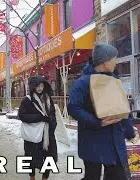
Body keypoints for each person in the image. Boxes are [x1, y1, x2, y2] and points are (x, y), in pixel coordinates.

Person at [68, 43, 136, 180]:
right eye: (114, 58)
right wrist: (97, 122)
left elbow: (122, 108)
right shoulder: (83, 83)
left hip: (115, 141)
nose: (116, 62)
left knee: (118, 176)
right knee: (92, 177)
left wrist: (129, 131)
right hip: (92, 141)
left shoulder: (114, 81)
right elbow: (73, 108)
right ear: (105, 62)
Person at [18, 75, 58, 180]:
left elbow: (53, 114)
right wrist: (40, 118)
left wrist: (52, 123)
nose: (40, 88)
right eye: (38, 86)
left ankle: (44, 178)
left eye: (42, 86)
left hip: (47, 135)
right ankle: (32, 177)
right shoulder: (27, 100)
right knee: (31, 158)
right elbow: (22, 115)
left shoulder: (48, 99)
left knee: (49, 159)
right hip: (33, 136)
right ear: (33, 87)